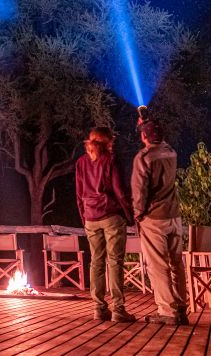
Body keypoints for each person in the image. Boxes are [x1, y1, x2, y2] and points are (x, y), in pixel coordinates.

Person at [75, 127, 136, 322]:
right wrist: (130, 215)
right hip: (111, 215)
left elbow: (78, 194)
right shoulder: (111, 159)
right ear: (107, 142)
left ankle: (99, 308)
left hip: (91, 217)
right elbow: (119, 190)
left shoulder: (81, 163)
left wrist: (84, 217)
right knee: (115, 261)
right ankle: (118, 309)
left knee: (96, 261)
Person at [132, 119, 189, 325]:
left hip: (154, 217)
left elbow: (139, 191)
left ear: (144, 137)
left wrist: (137, 214)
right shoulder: (171, 153)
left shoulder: (143, 158)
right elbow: (160, 141)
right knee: (176, 263)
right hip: (174, 215)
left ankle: (167, 310)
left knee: (158, 265)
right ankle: (181, 308)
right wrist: (147, 123)